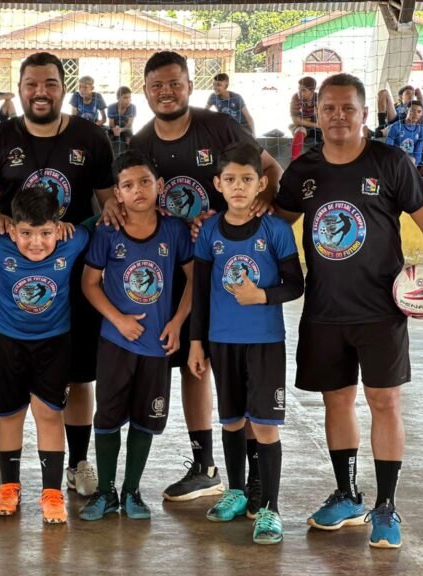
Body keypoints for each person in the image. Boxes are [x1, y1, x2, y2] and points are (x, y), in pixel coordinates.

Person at [276, 72, 423, 549]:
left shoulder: (390, 162)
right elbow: (272, 224)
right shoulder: (304, 171)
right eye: (328, 108)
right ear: (317, 114)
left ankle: (386, 505)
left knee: (385, 402)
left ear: (364, 112)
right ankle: (347, 494)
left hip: (380, 310)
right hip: (324, 308)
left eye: (347, 108)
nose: (337, 116)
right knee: (337, 401)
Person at [129, 50, 283, 507]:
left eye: (174, 83)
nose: (166, 92)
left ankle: (256, 478)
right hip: (172, 269)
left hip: (228, 270)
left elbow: (269, 170)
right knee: (193, 364)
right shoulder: (140, 143)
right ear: (145, 90)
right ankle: (205, 465)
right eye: (157, 85)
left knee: (244, 371)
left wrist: (256, 206)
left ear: (188, 85)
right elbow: (129, 192)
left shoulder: (218, 127)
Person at [0, 51, 119, 499]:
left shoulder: (91, 136)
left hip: (76, 273)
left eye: (49, 83)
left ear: (62, 87)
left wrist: (81, 234)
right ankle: (6, 462)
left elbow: (107, 202)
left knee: (78, 374)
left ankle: (79, 461)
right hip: (18, 275)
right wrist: (1, 223)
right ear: (20, 88)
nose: (40, 92)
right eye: (32, 84)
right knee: (12, 378)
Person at [188, 142, 304, 545]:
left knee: (265, 426)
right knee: (232, 420)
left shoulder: (276, 230)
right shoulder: (209, 232)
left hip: (265, 340)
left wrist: (263, 295)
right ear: (218, 183)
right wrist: (196, 342)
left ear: (262, 183)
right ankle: (237, 490)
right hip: (221, 341)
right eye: (231, 180)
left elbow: (296, 284)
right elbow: (199, 292)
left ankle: (269, 509)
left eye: (247, 180)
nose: (239, 187)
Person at [0, 187, 92, 524]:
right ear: (12, 228)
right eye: (27, 233)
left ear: (58, 227)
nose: (36, 242)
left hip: (54, 343)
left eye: (46, 233)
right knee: (10, 414)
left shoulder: (72, 242)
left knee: (49, 414)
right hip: (7, 342)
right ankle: (9, 486)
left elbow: (98, 221)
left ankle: (51, 493)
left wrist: (74, 228)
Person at [78, 150, 193, 521]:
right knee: (108, 417)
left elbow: (195, 278)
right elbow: (89, 283)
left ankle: (131, 492)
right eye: (128, 185)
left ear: (159, 186)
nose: (138, 190)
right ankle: (106, 492)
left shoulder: (174, 230)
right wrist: (119, 319)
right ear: (117, 193)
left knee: (147, 418)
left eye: (145, 182)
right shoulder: (107, 232)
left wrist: (177, 322)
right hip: (116, 342)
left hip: (157, 344)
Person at [385, 99, 423, 166]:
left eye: (419, 112)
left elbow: (418, 151)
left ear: (422, 113)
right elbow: (388, 149)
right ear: (406, 111)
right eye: (413, 111)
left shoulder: (421, 129)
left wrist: (416, 165)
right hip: (396, 159)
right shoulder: (396, 127)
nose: (416, 114)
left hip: (413, 163)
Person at [290, 76, 319, 160]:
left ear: (312, 91)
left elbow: (322, 119)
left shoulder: (319, 98)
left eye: (303, 90)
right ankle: (294, 161)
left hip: (315, 123)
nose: (299, 92)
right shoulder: (296, 98)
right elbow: (296, 121)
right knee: (300, 131)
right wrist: (317, 125)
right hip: (304, 125)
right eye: (299, 89)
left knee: (326, 135)